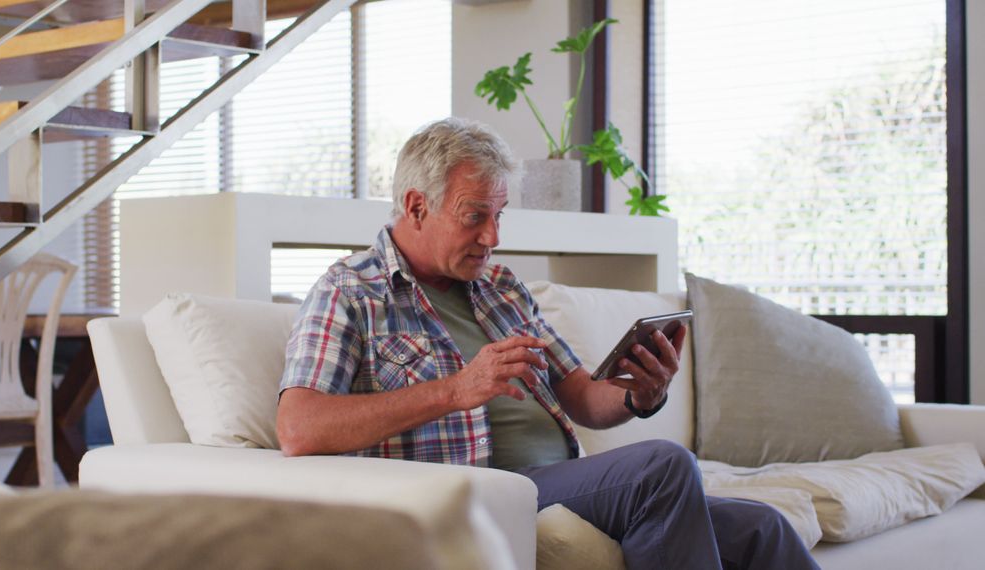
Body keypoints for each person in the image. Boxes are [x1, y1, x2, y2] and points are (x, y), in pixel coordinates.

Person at [276, 118, 819, 569]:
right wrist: (457, 389)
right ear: (417, 207)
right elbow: (299, 428)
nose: (493, 237)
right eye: (475, 217)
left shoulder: (501, 289)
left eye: (499, 215)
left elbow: (583, 396)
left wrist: (639, 395)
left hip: (558, 484)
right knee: (663, 467)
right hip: (477, 493)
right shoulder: (350, 291)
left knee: (762, 528)